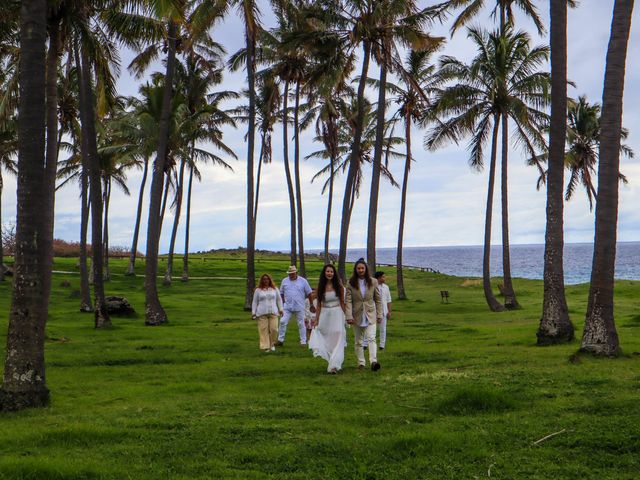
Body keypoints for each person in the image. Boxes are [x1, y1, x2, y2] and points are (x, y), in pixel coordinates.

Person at [345, 258, 383, 371]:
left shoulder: (373, 281)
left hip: (370, 314)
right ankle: (361, 363)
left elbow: (378, 300)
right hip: (356, 315)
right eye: (358, 268)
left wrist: (380, 314)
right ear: (355, 270)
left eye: (362, 268)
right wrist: (349, 316)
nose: (360, 270)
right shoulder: (350, 283)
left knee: (371, 338)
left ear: (366, 269)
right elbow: (348, 301)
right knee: (358, 341)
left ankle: (373, 361)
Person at [308, 264, 346, 374]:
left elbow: (343, 303)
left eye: (331, 272)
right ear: (324, 273)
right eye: (327, 271)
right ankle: (331, 360)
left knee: (338, 334)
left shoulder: (339, 286)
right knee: (325, 336)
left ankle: (334, 365)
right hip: (325, 313)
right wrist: (316, 319)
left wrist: (348, 315)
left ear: (334, 274)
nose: (329, 273)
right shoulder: (320, 287)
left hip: (337, 313)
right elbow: (319, 305)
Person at [276, 265, 314, 346]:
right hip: (287, 306)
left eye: (293, 273)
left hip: (300, 306)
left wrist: (311, 304)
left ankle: (303, 341)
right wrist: (282, 303)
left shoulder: (303, 281)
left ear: (296, 272)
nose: (291, 275)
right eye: (290, 273)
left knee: (301, 324)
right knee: (282, 321)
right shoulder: (284, 281)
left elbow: (309, 293)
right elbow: (281, 293)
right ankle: (280, 340)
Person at [251, 273, 284, 352]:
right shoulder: (258, 290)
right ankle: (266, 346)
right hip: (262, 313)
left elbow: (279, 300)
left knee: (274, 329)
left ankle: (272, 344)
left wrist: (281, 309)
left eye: (267, 279)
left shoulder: (274, 289)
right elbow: (255, 302)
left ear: (270, 280)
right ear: (262, 280)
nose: (266, 280)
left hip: (274, 312)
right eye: (264, 279)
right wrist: (253, 312)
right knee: (263, 330)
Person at [374, 271, 392, 350]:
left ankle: (382, 345)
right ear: (378, 278)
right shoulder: (373, 287)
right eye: (383, 277)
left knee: (383, 328)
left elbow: (388, 300)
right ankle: (366, 343)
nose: (384, 278)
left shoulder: (386, 287)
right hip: (374, 310)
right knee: (371, 328)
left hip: (384, 310)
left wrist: (389, 311)